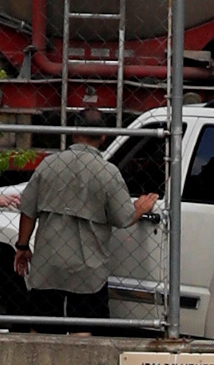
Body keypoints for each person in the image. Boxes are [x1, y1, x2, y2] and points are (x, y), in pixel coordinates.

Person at [16, 137, 158, 321]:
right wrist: (140, 207)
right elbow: (124, 218)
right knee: (85, 327)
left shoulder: (48, 165)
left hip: (48, 264)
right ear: (102, 137)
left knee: (41, 323)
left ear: (73, 135)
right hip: (89, 268)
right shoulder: (108, 172)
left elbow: (28, 210)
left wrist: (22, 246)